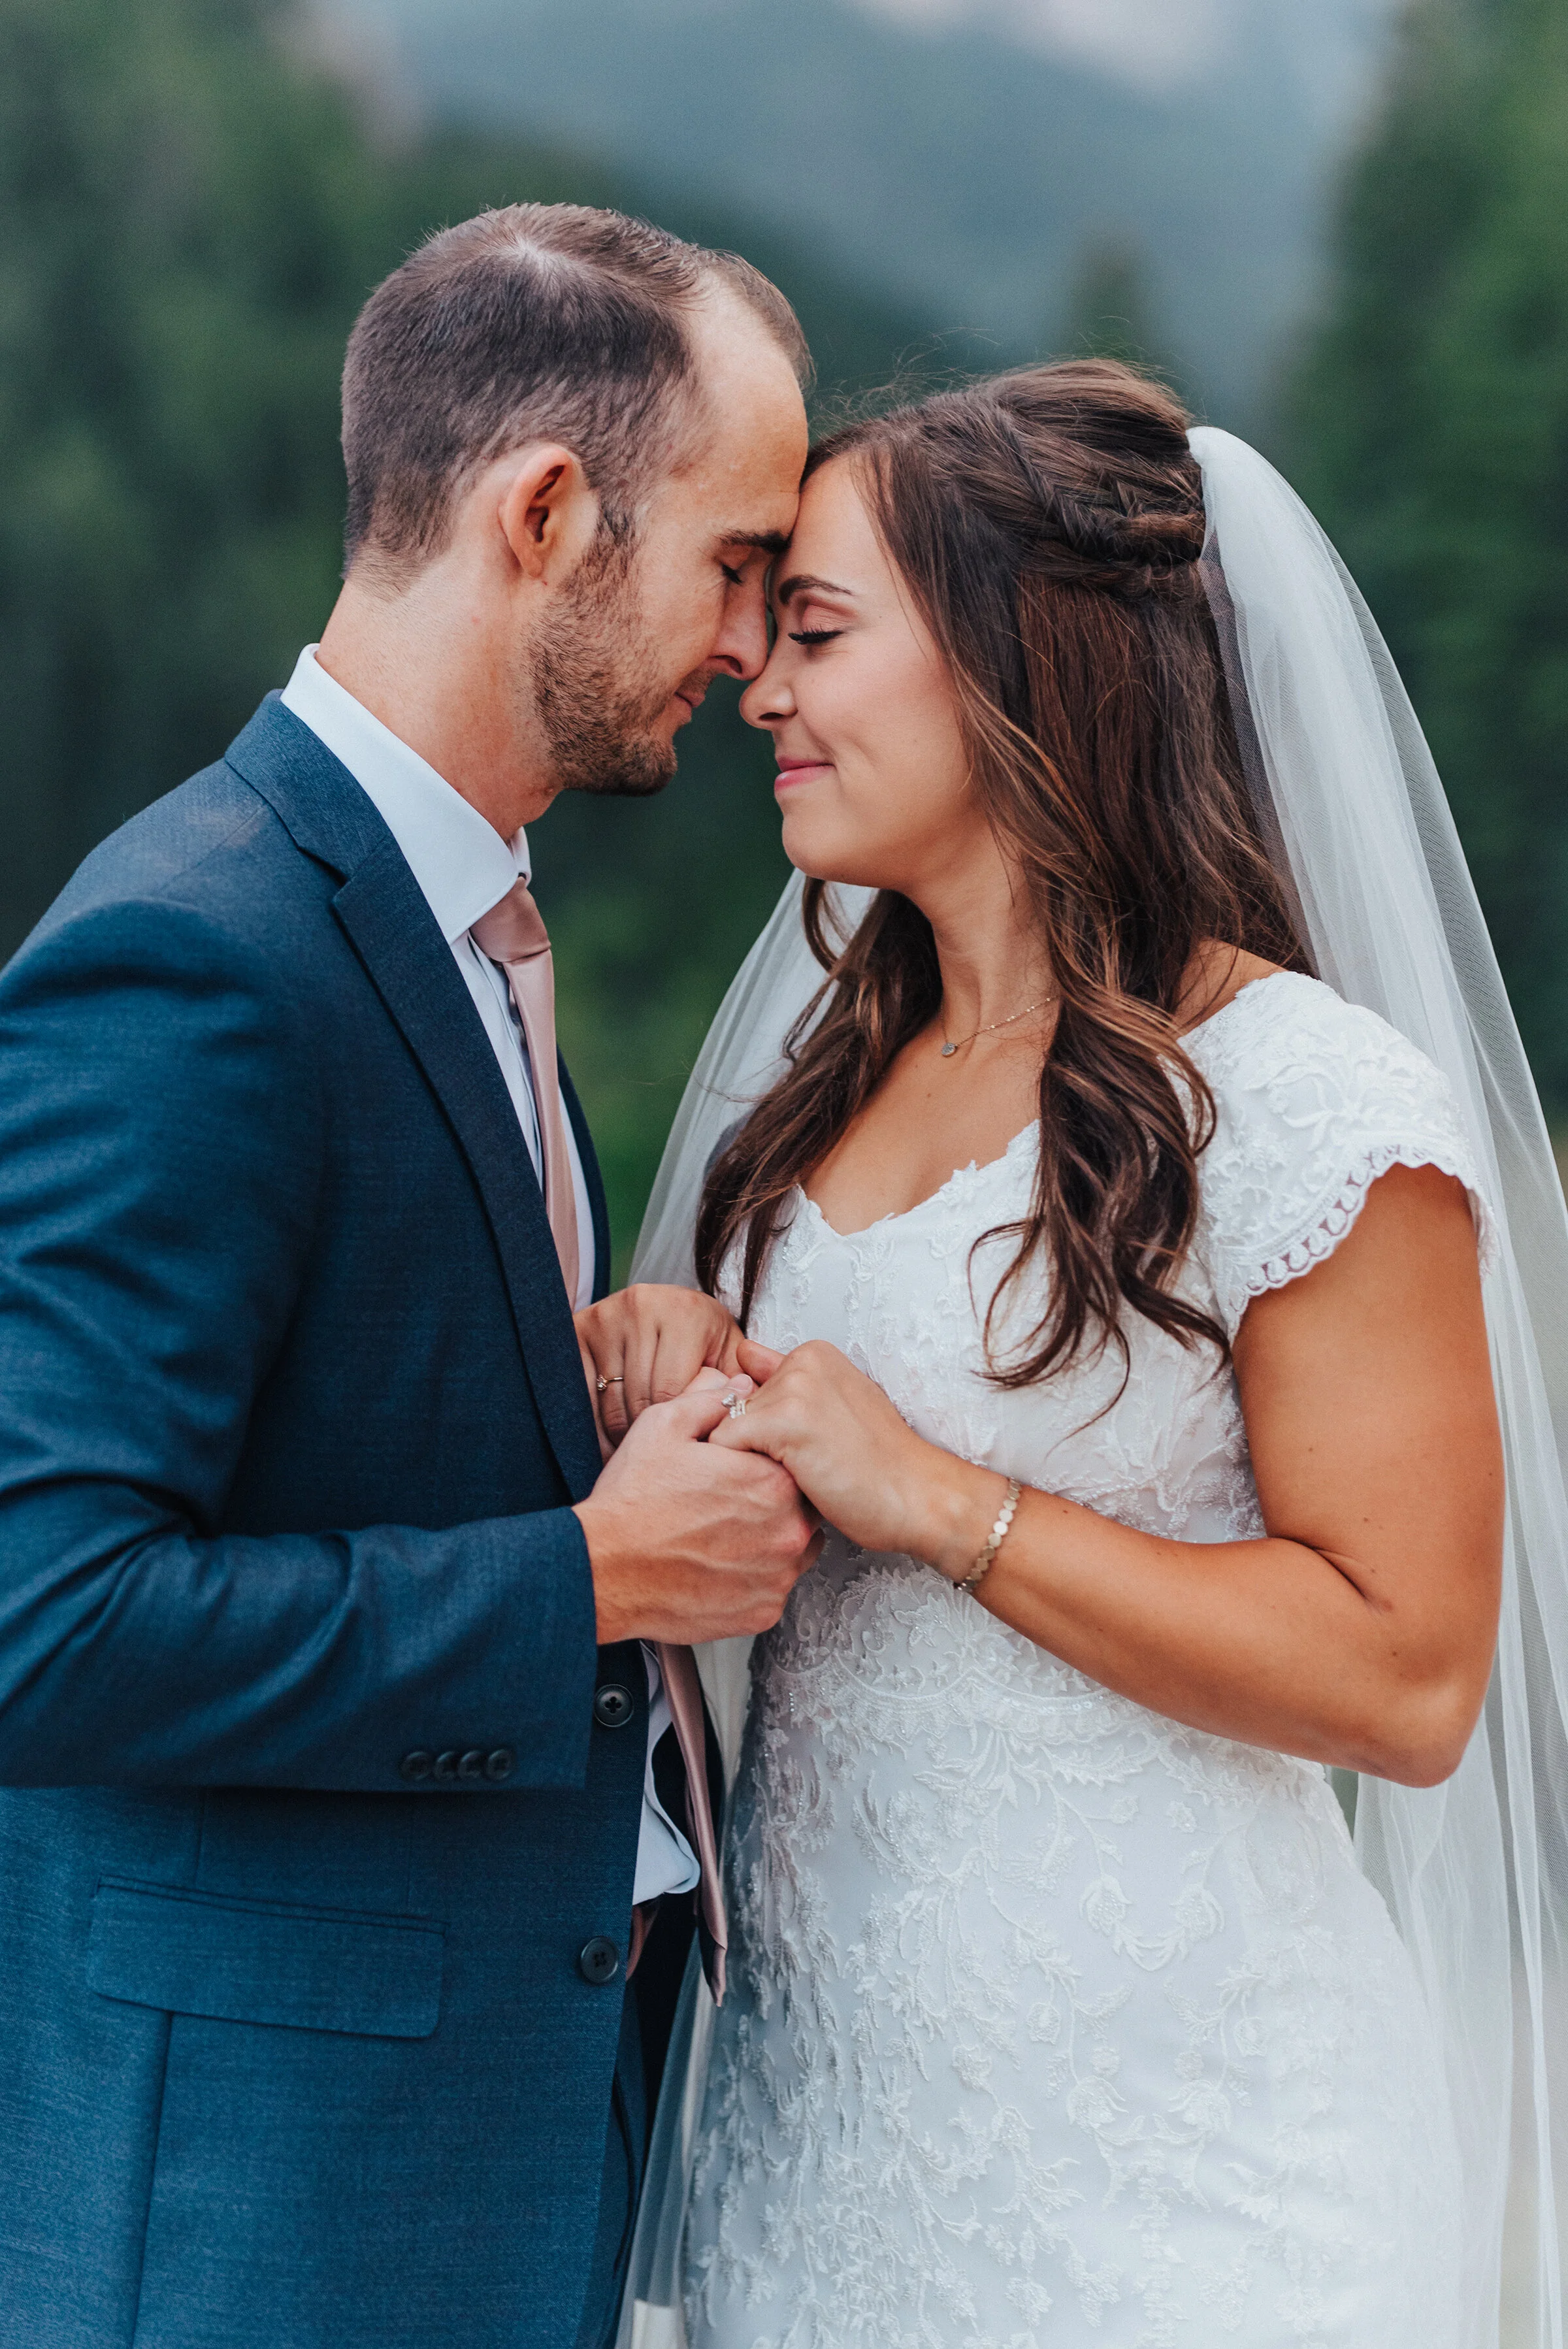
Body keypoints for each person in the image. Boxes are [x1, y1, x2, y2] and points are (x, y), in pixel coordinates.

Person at [577, 361, 1568, 2347]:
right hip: (832, 2158)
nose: (761, 689)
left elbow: (1407, 1676)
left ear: (1022, 662)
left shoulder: (1299, 1105)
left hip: (1185, 2179)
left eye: (822, 634)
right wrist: (678, 1358)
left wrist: (945, 1502)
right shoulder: (826, 1076)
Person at [0, 205, 820, 2349]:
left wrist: (591, 1383)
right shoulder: (198, 949)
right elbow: (42, 1622)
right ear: (545, 513)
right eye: (735, 562)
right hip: (262, 2219)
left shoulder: (479, 929)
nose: (750, 649)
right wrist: (593, 1576)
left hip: (492, 2171)